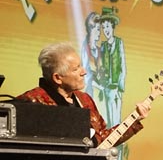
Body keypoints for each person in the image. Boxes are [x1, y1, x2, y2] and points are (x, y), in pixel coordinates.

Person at [16, 42, 150, 147]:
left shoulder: (84, 100)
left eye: (81, 65)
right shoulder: (31, 102)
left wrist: (135, 119)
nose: (84, 72)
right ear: (57, 78)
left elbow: (102, 138)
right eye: (76, 69)